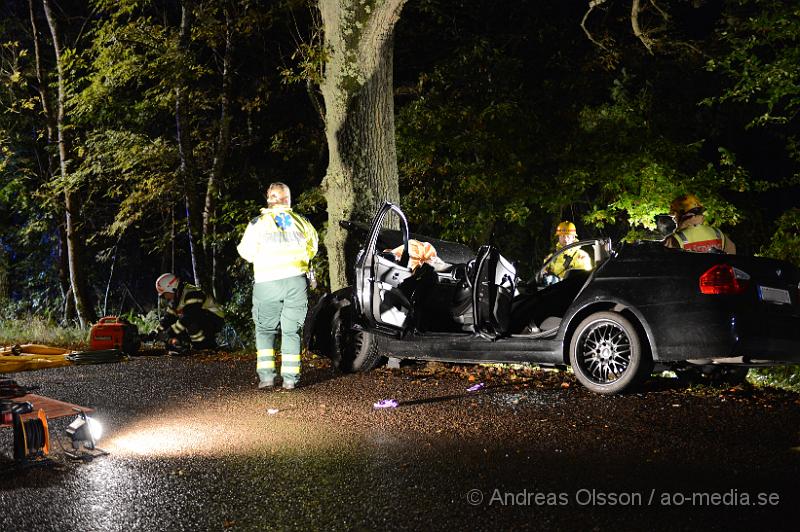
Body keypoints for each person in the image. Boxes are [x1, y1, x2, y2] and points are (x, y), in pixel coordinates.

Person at [236, 182, 318, 390]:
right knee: (292, 332)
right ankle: (290, 380)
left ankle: (267, 378)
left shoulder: (258, 223)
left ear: (269, 199)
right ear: (288, 199)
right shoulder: (302, 222)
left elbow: (246, 252)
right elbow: (312, 249)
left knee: (265, 330)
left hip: (267, 282)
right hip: (296, 282)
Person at [151, 273, 225, 353]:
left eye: (164, 294)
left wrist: (169, 332)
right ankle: (185, 345)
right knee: (180, 324)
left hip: (214, 319)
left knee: (189, 321)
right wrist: (155, 332)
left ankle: (204, 345)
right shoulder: (176, 298)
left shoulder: (191, 293)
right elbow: (168, 318)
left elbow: (189, 317)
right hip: (202, 319)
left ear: (171, 288)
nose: (165, 297)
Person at [664, 194, 736, 254]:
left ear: (679, 214)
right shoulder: (718, 233)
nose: (673, 218)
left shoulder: (674, 239)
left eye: (674, 215)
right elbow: (732, 257)